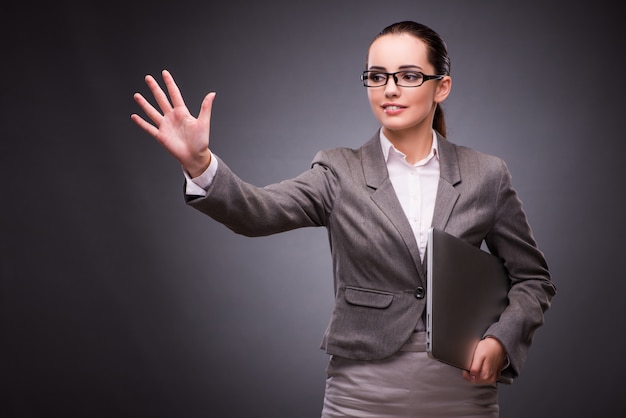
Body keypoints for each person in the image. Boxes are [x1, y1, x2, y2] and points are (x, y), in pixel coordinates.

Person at [131, 20, 556, 418]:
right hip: (360, 392)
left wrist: (502, 339)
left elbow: (533, 279)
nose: (389, 89)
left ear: (441, 86)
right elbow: (256, 212)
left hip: (463, 391)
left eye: (408, 76)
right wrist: (201, 163)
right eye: (377, 76)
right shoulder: (338, 170)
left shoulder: (487, 173)